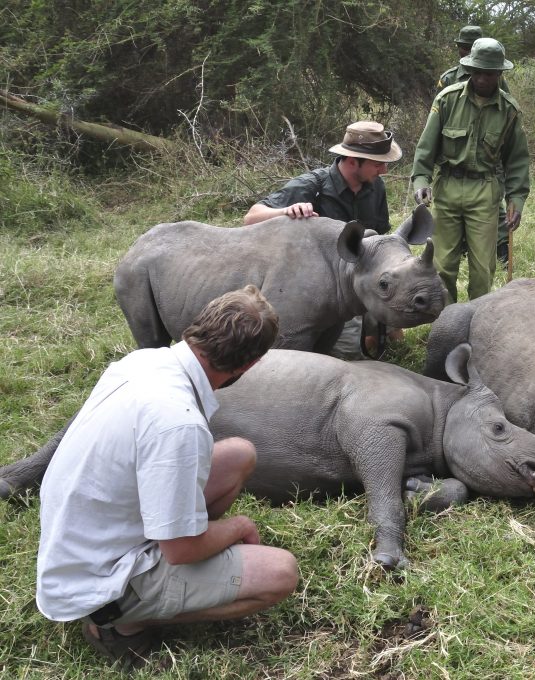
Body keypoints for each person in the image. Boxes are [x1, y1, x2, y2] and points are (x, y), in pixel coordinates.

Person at [36, 285, 298, 669]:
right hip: (99, 578)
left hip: (83, 537)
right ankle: (119, 622)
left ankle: (177, 571)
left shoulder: (142, 362)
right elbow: (181, 550)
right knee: (280, 572)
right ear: (250, 365)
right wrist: (238, 525)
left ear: (198, 324)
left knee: (238, 455)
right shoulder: (179, 424)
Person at [243, 121, 404, 358]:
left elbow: (380, 235)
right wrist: (285, 211)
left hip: (364, 278)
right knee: (350, 356)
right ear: (352, 161)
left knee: (393, 337)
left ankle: (375, 330)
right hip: (326, 289)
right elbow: (250, 218)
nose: (384, 171)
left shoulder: (375, 186)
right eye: (378, 164)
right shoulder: (312, 185)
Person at [412, 38, 529, 302]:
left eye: (489, 73)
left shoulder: (509, 110)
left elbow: (517, 160)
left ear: (499, 74)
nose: (482, 79)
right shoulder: (447, 100)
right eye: (477, 72)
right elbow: (426, 148)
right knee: (442, 266)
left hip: (484, 191)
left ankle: (475, 324)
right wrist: (421, 180)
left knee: (482, 269)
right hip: (448, 188)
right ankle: (445, 324)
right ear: (469, 70)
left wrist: (516, 199)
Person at [437, 27, 513, 268]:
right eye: (463, 46)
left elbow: (503, 110)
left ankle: (499, 247)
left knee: (495, 206)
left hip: (488, 155)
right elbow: (440, 114)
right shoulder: (449, 79)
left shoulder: (497, 79)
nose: (465, 50)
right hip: (456, 155)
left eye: (470, 46)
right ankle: (459, 245)